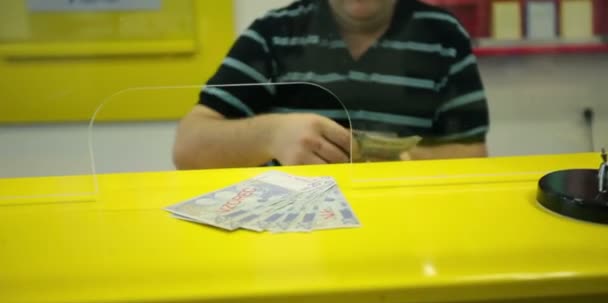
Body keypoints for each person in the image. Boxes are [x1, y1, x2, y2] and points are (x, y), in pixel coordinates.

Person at [173, 0, 490, 169]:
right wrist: (272, 135)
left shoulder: (444, 36)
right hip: (290, 246)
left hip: (411, 232)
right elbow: (188, 148)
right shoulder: (272, 33)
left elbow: (473, 153)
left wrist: (397, 159)